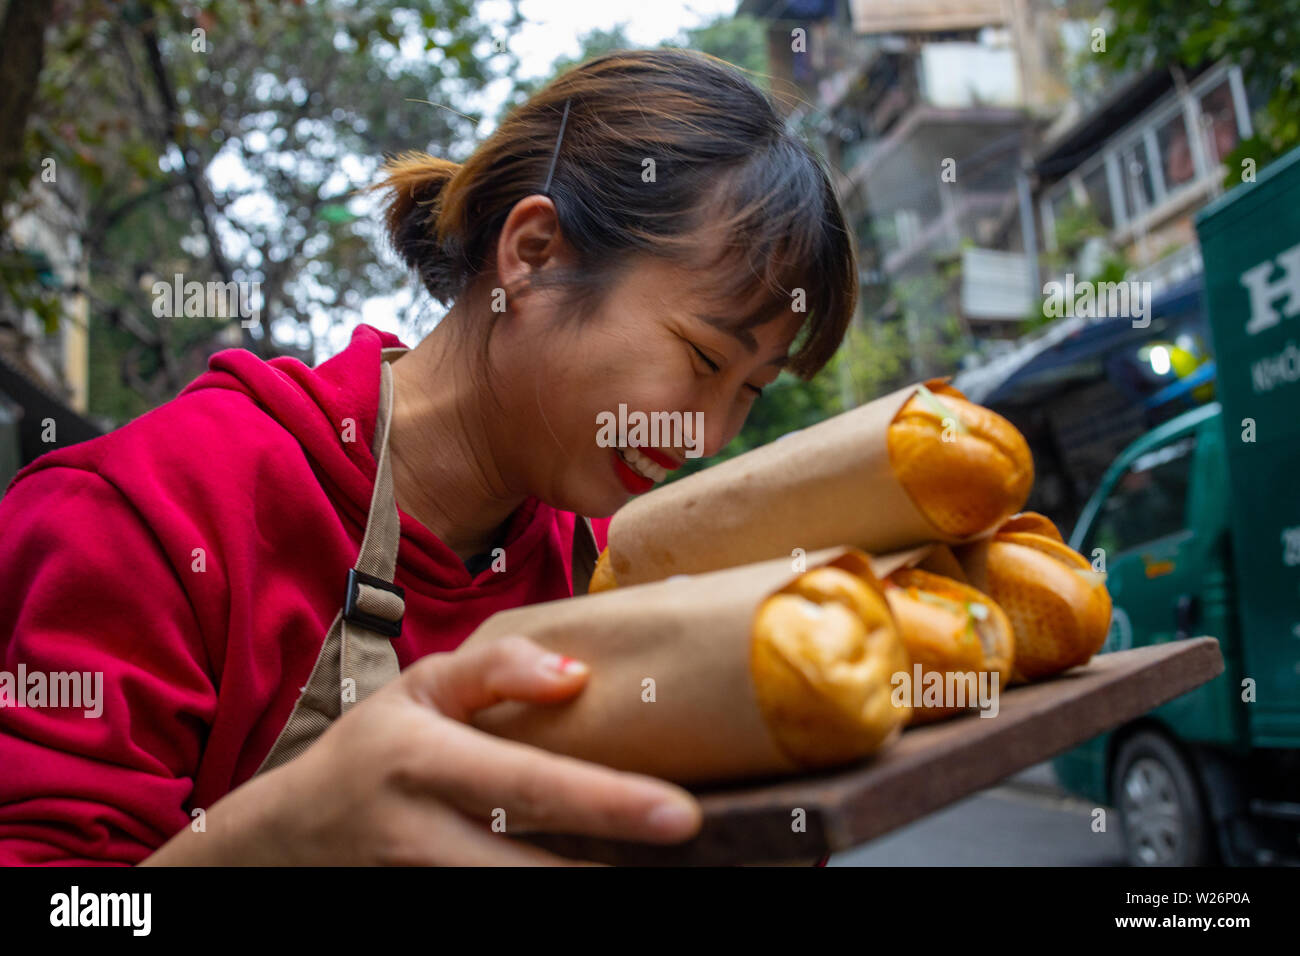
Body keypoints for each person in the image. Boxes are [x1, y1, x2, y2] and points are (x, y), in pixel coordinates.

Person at [0, 48, 857, 865]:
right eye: (704, 359)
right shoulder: (146, 516)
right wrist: (270, 844)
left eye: (750, 389)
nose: (705, 438)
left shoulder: (605, 573)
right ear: (533, 255)